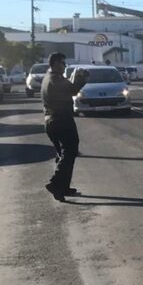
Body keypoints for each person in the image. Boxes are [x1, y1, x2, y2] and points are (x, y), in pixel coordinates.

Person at [41, 53, 88, 202]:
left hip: (51, 121)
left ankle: (63, 188)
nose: (64, 65)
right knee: (70, 152)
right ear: (55, 63)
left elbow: (68, 88)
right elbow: (73, 90)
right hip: (61, 120)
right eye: (62, 62)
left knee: (64, 154)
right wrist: (82, 78)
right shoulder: (55, 79)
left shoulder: (48, 78)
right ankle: (55, 184)